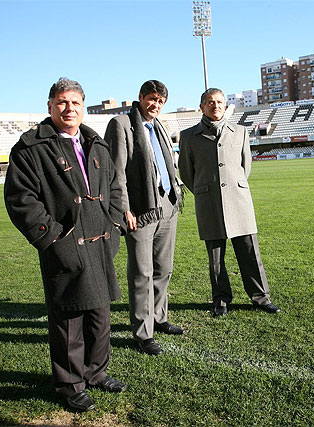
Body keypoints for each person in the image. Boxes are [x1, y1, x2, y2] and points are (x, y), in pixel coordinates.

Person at [4, 78, 127, 412]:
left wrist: (113, 224)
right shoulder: (30, 148)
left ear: (83, 106)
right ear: (50, 106)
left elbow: (115, 187)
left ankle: (96, 373)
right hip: (65, 245)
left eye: (74, 102)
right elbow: (21, 199)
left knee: (100, 316)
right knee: (69, 320)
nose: (68, 108)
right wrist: (53, 237)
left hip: (100, 243)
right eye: (61, 102)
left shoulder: (96, 144)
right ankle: (70, 384)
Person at [178, 88, 280, 317]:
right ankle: (221, 300)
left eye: (220, 102)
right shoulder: (188, 136)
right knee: (216, 259)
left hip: (238, 200)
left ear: (225, 105)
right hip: (208, 202)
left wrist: (233, 188)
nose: (216, 106)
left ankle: (261, 297)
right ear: (202, 106)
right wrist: (205, 191)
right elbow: (186, 172)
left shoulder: (241, 132)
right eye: (211, 102)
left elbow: (246, 167)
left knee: (250, 253)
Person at [104, 80, 182, 356]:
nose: (155, 105)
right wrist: (125, 209)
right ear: (140, 97)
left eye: (160, 101)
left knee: (164, 268)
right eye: (151, 99)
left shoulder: (159, 125)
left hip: (167, 205)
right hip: (140, 208)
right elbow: (116, 172)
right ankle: (143, 332)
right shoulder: (121, 124)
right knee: (142, 273)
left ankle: (159, 318)